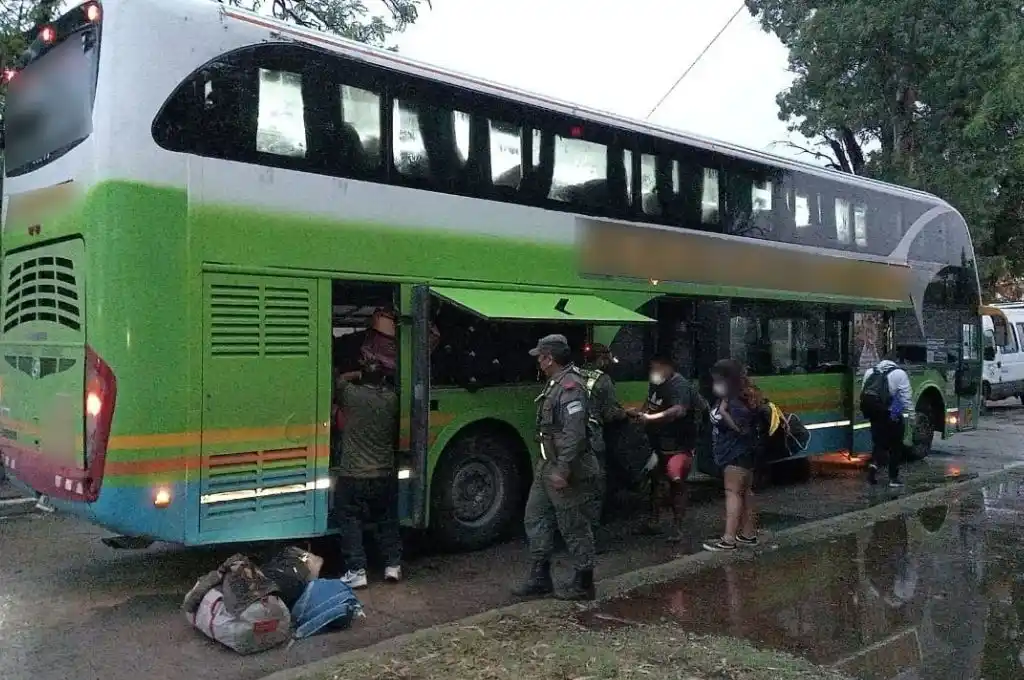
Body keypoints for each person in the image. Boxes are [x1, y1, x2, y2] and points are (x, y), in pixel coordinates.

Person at [513, 334, 601, 601]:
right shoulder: (556, 384)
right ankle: (540, 577)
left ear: (549, 358)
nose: (538, 362)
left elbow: (574, 434)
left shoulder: (570, 387)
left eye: (540, 357)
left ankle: (584, 582)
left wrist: (563, 469)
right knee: (535, 517)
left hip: (568, 468)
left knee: (573, 525)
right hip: (548, 466)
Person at [335, 356, 402, 589]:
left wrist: (356, 374)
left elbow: (339, 378)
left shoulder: (351, 395)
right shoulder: (392, 399)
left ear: (362, 376)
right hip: (384, 473)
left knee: (350, 518)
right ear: (383, 377)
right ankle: (392, 565)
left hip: (354, 475)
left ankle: (357, 570)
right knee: (387, 519)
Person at [629, 355, 704, 541]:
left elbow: (678, 410)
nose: (653, 373)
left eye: (657, 369)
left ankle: (678, 528)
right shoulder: (657, 382)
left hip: (678, 442)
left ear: (669, 368)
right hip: (658, 440)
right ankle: (654, 521)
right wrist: (641, 414)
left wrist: (651, 418)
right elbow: (650, 402)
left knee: (676, 483)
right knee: (656, 481)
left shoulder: (679, 385)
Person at [703, 359, 762, 552]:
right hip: (746, 452)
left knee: (733, 493)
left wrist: (723, 413)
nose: (715, 383)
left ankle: (728, 539)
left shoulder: (735, 401)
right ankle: (748, 534)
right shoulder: (743, 394)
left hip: (735, 452)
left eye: (717, 379)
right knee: (746, 492)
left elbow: (741, 429)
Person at [578, 343, 628, 535]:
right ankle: (590, 537)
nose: (610, 361)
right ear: (601, 359)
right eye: (607, 358)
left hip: (571, 437)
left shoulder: (575, 374)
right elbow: (609, 414)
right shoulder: (604, 380)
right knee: (595, 488)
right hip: (592, 438)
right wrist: (625, 413)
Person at [860, 353, 912, 488]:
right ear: (895, 361)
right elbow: (905, 398)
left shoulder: (870, 371)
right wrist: (906, 415)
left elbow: (864, 392)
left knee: (879, 444)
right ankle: (893, 479)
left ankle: (872, 471)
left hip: (874, 413)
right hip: (891, 412)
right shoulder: (899, 373)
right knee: (896, 446)